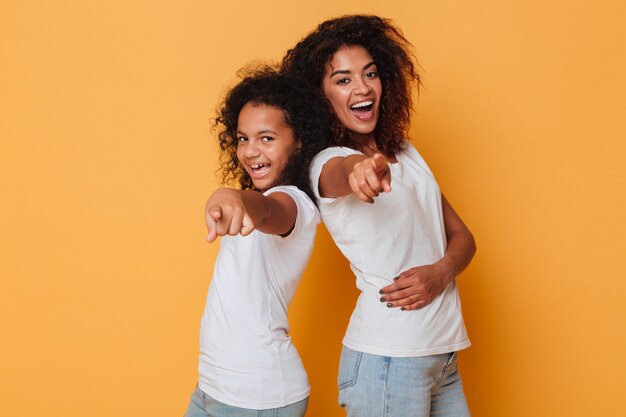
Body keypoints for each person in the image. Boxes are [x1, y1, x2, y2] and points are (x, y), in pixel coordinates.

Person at [281, 15, 476, 416]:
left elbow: (463, 238)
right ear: (321, 97)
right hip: (388, 361)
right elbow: (343, 174)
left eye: (370, 73)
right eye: (344, 79)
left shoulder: (405, 151)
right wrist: (362, 171)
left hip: (442, 354)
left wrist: (439, 273)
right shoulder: (327, 162)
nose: (363, 87)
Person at [184, 66, 332, 417]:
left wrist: (232, 195)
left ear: (298, 141)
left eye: (267, 138)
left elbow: (266, 209)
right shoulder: (260, 195)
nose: (251, 151)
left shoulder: (295, 203)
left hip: (259, 397)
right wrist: (238, 198)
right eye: (243, 138)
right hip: (213, 387)